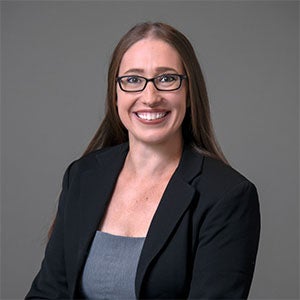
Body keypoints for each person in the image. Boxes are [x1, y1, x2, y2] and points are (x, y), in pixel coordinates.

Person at [26, 22, 260, 299]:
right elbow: (47, 293)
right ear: (115, 94)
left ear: (189, 92)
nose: (150, 98)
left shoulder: (227, 196)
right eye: (133, 80)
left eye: (167, 79)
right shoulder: (82, 176)